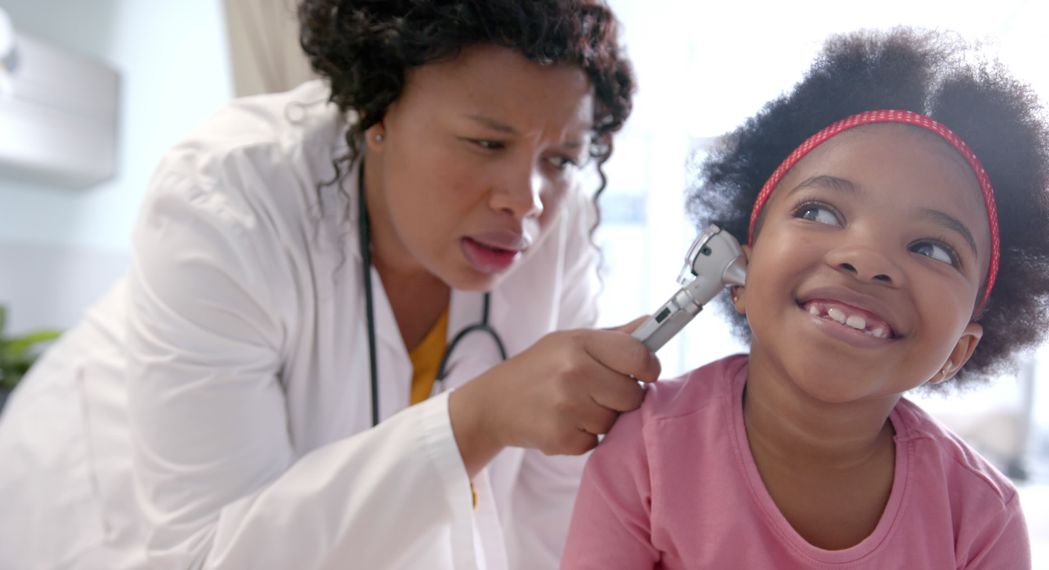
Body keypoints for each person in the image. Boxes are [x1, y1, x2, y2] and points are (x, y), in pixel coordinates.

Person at [0, 1, 658, 568]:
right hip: (100, 503)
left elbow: (548, 512)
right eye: (486, 144)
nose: (527, 200)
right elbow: (206, 554)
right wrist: (476, 419)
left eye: (563, 159)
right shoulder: (228, 201)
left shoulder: (556, 224)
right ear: (379, 110)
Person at [561, 28, 1049, 569]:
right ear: (738, 272)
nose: (867, 258)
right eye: (819, 212)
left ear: (958, 350)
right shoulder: (647, 451)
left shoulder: (980, 519)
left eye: (934, 249)